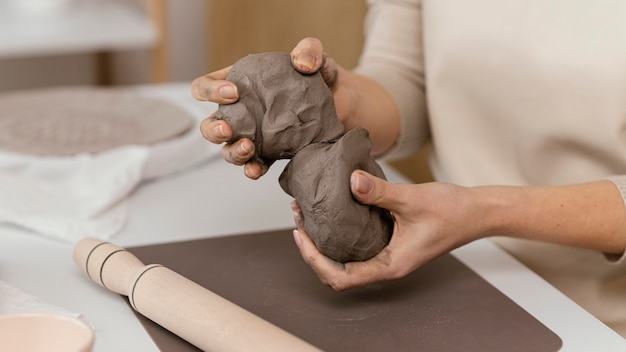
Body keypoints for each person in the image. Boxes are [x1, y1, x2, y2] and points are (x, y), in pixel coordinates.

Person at [192, 0, 626, 337]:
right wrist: (337, 106)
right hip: (454, 270)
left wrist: (484, 212)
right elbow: (409, 77)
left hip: (602, 313)